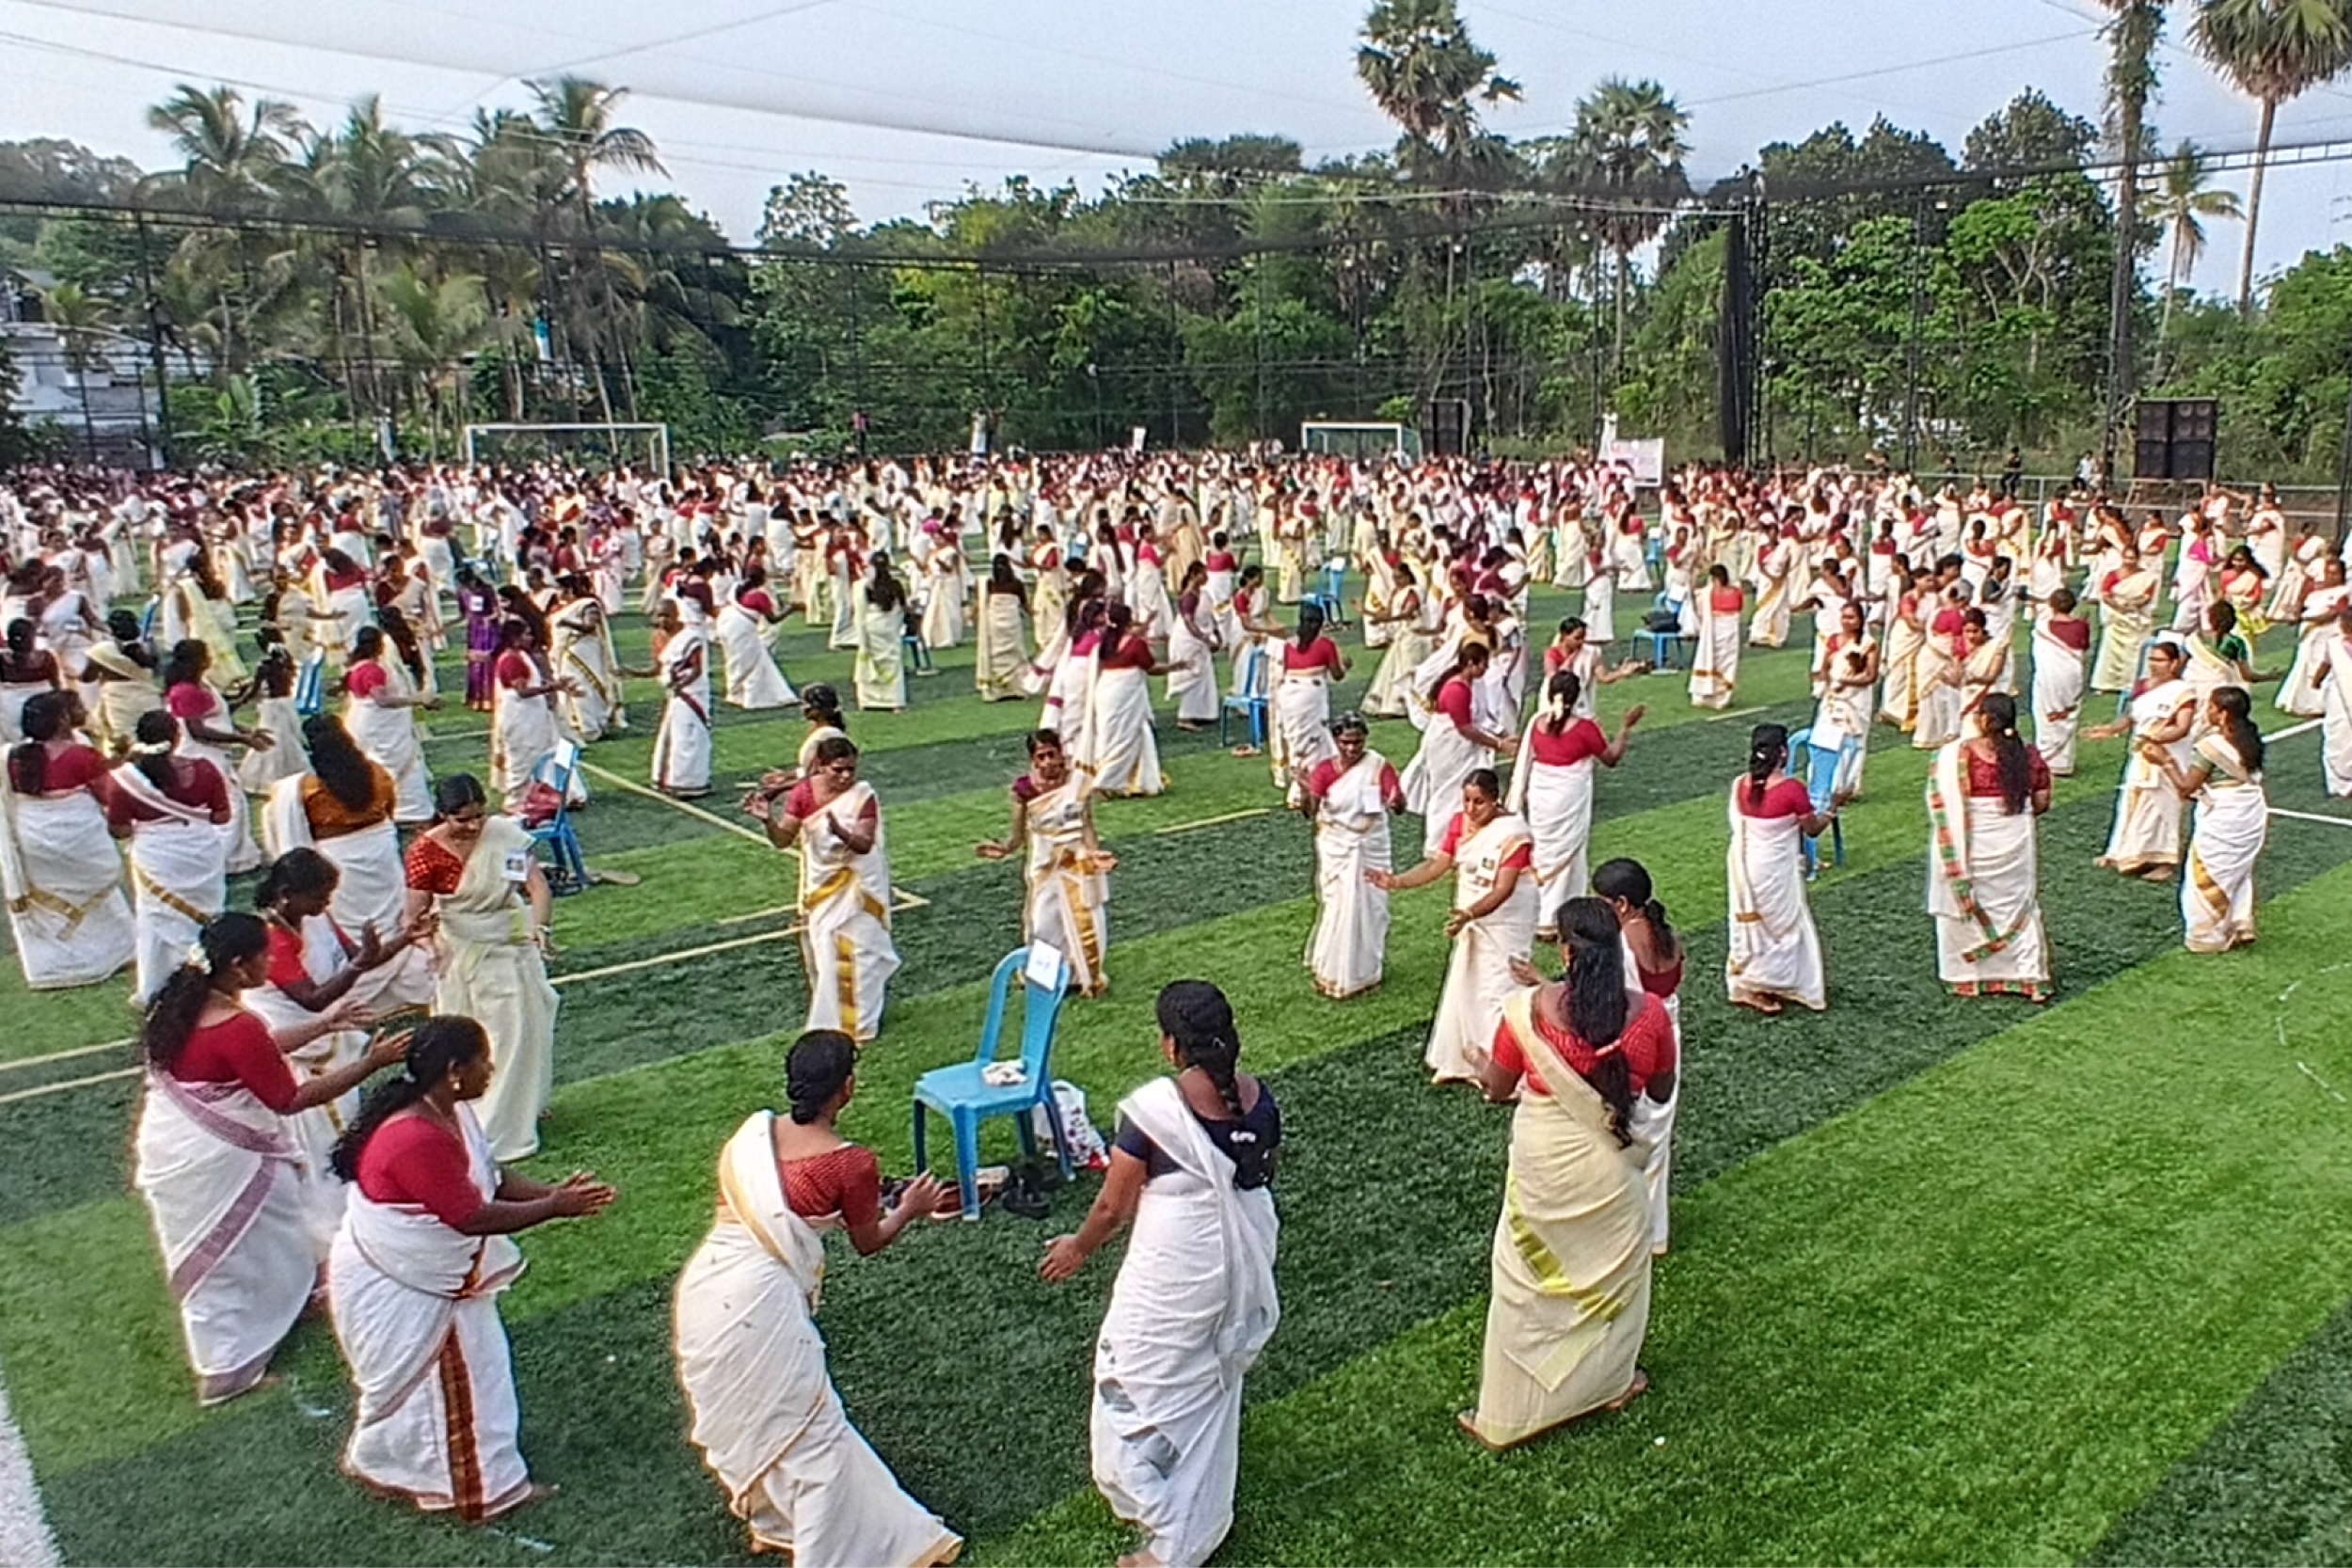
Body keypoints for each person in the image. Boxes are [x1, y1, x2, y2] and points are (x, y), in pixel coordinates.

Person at [673, 1030, 961, 1567]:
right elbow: (868, 1240)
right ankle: (846, 1548)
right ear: (846, 1087)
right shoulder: (850, 1164)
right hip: (761, 1298)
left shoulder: (751, 1139)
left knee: (753, 1413)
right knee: (808, 1424)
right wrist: (912, 1207)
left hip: (706, 1285)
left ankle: (776, 1522)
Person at [326, 1018, 613, 1522]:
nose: (491, 1069)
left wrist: (552, 1194)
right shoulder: (417, 1137)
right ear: (454, 1070)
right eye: (484, 1060)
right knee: (462, 1380)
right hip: (403, 1283)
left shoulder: (448, 1113)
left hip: (415, 1277)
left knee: (471, 1374)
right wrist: (554, 1208)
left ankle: (391, 1462)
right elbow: (470, 1216)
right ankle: (478, 1489)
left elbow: (490, 1175)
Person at [1039, 980, 1279, 1568]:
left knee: (1136, 1375)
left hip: (1175, 1269)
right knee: (1203, 1388)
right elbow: (1258, 1176)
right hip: (1234, 1268)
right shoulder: (1260, 1098)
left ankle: (1167, 1528)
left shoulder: (1155, 1112)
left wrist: (1076, 1249)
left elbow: (1112, 1207)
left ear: (1172, 1045)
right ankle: (1197, 1512)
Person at [133, 913, 391, 1404]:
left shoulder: (177, 1006)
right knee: (236, 1248)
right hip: (222, 1156)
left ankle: (290, 1299)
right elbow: (289, 1098)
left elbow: (254, 1054)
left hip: (175, 1144)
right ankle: (223, 1367)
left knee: (267, 1230)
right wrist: (370, 1064)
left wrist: (325, 1023)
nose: (269, 964)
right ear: (238, 965)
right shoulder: (237, 1024)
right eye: (263, 957)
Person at [1461, 896, 1674, 1449]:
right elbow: (1660, 1089)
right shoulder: (1650, 1015)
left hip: (1545, 1164)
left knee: (1526, 1281)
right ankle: (1610, 1384)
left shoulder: (1526, 1013)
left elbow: (1497, 1088)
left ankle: (1508, 1415)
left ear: (1564, 950)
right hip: (1613, 1167)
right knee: (1614, 1279)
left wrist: (1480, 1065)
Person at [248, 848, 424, 1244]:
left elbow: (361, 958)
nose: (326, 904)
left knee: (347, 1127)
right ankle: (332, 1228)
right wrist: (359, 967)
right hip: (299, 1049)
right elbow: (313, 999)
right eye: (319, 897)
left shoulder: (318, 920)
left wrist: (405, 939)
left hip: (331, 1041)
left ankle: (360, 1207)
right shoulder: (271, 939)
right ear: (288, 895)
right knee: (321, 1144)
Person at [402, 774, 559, 1162]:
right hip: (459, 953)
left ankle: (515, 1113)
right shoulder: (425, 852)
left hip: (509, 945)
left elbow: (535, 885)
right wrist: (426, 943)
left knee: (518, 1033)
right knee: (476, 1040)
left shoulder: (502, 835)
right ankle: (480, 1121)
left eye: (479, 816)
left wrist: (540, 928)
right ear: (443, 815)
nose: (474, 827)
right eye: (463, 820)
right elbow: (413, 919)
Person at [1375, 769, 1537, 1085]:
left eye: (1479, 802)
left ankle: (1503, 1071)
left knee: (1499, 988)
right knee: (1467, 981)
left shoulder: (1514, 834)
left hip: (1506, 918)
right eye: (1467, 801)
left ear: (1495, 800)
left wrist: (1470, 914)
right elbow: (1438, 865)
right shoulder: (1460, 823)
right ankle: (1464, 1061)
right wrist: (1397, 882)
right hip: (1471, 913)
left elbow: (1503, 889)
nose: (1471, 809)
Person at [262, 716, 435, 1011]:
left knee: (343, 926)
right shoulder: (377, 774)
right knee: (389, 919)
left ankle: (350, 980)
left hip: (336, 860)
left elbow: (281, 823)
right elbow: (390, 811)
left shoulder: (301, 790)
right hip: (381, 857)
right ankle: (402, 966)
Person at [752, 736, 898, 1043]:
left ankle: (862, 1025)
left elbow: (863, 843)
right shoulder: (803, 793)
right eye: (838, 770)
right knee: (827, 955)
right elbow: (783, 840)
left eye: (851, 770)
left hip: (859, 886)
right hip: (824, 887)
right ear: (820, 766)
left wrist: (840, 832)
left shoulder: (863, 796)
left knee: (863, 953)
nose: (846, 777)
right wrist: (768, 821)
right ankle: (835, 1021)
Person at [0, 689, 135, 989]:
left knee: (50, 899)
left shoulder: (11, 758)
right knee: (100, 897)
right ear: (61, 720)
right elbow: (109, 796)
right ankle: (109, 955)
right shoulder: (80, 755)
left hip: (32, 841)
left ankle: (55, 967)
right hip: (79, 841)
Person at [1927, 693, 2053, 1001]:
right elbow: (2041, 802)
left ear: (1983, 720)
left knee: (1966, 902)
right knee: (2018, 906)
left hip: (1973, 845)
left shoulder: (1957, 756)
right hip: (2015, 843)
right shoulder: (2027, 755)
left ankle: (1966, 976)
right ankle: (2028, 975)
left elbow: (1942, 801)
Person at [977, 729, 1114, 998]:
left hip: (1076, 860)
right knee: (1043, 922)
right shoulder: (1024, 790)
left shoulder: (1077, 782)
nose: (1048, 762)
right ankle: (1043, 976)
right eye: (1041, 757)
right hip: (1044, 864)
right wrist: (1004, 848)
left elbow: (1086, 824)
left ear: (1062, 754)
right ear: (1033, 760)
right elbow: (1017, 837)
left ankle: (1081, 975)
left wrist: (1095, 853)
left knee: (1084, 917)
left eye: (1052, 754)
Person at [111, 708, 234, 1003]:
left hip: (155, 855)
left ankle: (156, 985)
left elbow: (119, 829)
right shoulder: (204, 769)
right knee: (204, 915)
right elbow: (221, 816)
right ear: (177, 737)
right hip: (201, 851)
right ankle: (208, 973)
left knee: (154, 916)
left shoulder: (126, 780)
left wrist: (151, 825)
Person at [1592, 858, 1682, 1256]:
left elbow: (1617, 1002)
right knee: (1656, 1136)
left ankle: (1626, 1229)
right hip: (1670, 1037)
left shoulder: (1623, 943)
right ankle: (1654, 1232)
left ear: (1622, 904)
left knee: (1621, 1134)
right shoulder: (1669, 936)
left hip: (1636, 1039)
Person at [1505, 673, 1640, 937]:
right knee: (1568, 857)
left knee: (1542, 852)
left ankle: (1539, 914)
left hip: (1541, 798)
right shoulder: (1585, 729)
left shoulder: (1537, 724)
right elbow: (1611, 758)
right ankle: (1555, 916)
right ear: (1577, 696)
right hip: (1568, 797)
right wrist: (1625, 728)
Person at [2142, 686, 2269, 953]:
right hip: (2251, 811)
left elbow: (2186, 787)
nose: (2206, 711)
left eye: (2211, 707)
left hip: (2225, 816)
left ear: (2223, 714)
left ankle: (2207, 936)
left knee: (2206, 872)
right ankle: (2240, 922)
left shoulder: (2212, 746)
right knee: (2238, 869)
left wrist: (2164, 760)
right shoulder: (2250, 738)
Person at [1725, 723, 1836, 1014]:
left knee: (1757, 925)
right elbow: (1812, 829)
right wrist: (1832, 810)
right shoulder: (1791, 789)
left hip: (1746, 866)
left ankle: (1753, 981)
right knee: (1783, 926)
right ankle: (1771, 983)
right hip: (1775, 869)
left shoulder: (1740, 785)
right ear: (1783, 753)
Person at [1300, 713, 1404, 1001]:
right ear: (1336, 741)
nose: (1351, 748)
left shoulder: (1377, 765)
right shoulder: (1324, 770)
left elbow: (1397, 803)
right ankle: (1332, 970)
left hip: (1370, 844)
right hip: (1338, 846)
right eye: (1345, 742)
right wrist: (1306, 789)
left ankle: (1367, 972)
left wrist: (1396, 800)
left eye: (1357, 742)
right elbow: (1310, 811)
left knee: (1373, 907)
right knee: (1337, 906)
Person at [2086, 639, 2197, 880]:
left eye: (2161, 660)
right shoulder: (2143, 686)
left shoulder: (2183, 692)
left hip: (2166, 755)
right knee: (2130, 801)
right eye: (2152, 659)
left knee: (2163, 806)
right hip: (2142, 754)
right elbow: (2131, 717)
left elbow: (2182, 726)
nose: (2154, 665)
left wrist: (2155, 738)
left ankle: (2164, 861)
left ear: (2174, 663)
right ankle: (2120, 851)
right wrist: (2108, 730)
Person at [163, 639, 267, 874]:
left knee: (235, 803)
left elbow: (220, 714)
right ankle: (215, 861)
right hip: (201, 755)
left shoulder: (202, 685)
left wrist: (246, 730)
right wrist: (241, 740)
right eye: (206, 655)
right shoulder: (186, 692)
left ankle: (236, 860)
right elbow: (197, 731)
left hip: (214, 754)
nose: (210, 658)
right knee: (230, 806)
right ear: (198, 661)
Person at [1400, 642, 1512, 858]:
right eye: (1483, 665)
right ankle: (1436, 845)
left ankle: (1461, 838)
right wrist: (1498, 744)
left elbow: (1477, 721)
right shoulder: (1456, 690)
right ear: (1470, 664)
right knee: (1446, 793)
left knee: (1462, 791)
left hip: (1460, 746)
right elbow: (1465, 729)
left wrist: (1501, 735)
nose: (1486, 670)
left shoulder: (1470, 686)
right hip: (1448, 747)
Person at [342, 626, 438, 824]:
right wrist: (416, 700)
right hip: (379, 725)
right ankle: (408, 808)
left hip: (361, 720)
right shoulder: (373, 670)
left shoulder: (354, 667)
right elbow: (382, 700)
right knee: (394, 761)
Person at [489, 618, 570, 816]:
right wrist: (551, 688)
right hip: (520, 718)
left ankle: (537, 797)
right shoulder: (512, 660)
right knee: (523, 758)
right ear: (515, 638)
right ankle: (514, 801)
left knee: (540, 755)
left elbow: (531, 682)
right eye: (527, 634)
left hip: (531, 716)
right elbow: (522, 692)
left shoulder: (521, 656)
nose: (531, 638)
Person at [1269, 603, 1348, 800]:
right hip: (1310, 695)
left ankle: (1301, 784)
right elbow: (1337, 674)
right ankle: (1308, 787)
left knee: (1295, 741)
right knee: (1315, 741)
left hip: (1288, 696)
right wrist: (1345, 665)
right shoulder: (1325, 644)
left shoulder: (1288, 645)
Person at [1089, 601, 1168, 798]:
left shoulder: (1105, 641)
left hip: (1105, 690)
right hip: (1125, 692)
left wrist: (1148, 621)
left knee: (1109, 736)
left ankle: (1124, 779)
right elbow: (1150, 667)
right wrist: (1175, 667)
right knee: (1127, 737)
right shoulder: (1135, 644)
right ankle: (1106, 781)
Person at [655, 588, 715, 800]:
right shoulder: (662, 638)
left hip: (691, 694)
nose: (662, 620)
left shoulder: (691, 637)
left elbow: (696, 669)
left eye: (666, 615)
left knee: (690, 737)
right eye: (659, 616)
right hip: (676, 694)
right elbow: (659, 668)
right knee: (675, 737)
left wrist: (680, 684)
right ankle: (672, 779)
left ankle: (690, 783)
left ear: (676, 615)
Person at [715, 569, 797, 711]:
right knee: (747, 662)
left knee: (738, 658)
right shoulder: (759, 595)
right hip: (742, 627)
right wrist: (792, 608)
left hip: (726, 622)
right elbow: (772, 619)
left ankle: (738, 692)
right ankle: (743, 694)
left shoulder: (737, 588)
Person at [2030, 587, 2090, 777]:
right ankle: (2063, 762)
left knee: (2047, 715)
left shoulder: (2042, 627)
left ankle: (2048, 759)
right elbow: (2083, 647)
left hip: (2049, 677)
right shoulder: (2081, 626)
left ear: (2052, 605)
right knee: (2067, 712)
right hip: (2072, 675)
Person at [1166, 560, 1220, 730]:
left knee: (1203, 676)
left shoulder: (1204, 594)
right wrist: (1205, 639)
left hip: (1200, 638)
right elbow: (1189, 622)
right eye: (1203, 574)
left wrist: (1216, 633)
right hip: (1188, 640)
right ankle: (1185, 716)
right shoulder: (1189, 596)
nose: (1206, 577)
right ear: (1194, 575)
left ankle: (1203, 712)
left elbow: (1210, 616)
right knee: (1192, 675)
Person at [975, 553, 1032, 703]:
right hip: (1012, 624)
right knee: (1015, 653)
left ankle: (998, 690)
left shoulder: (989, 584)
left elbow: (982, 604)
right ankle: (1017, 688)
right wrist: (1034, 615)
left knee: (996, 654)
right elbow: (1025, 604)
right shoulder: (1017, 584)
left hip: (995, 623)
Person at [854, 554, 910, 712]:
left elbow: (860, 611)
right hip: (890, 628)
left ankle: (869, 700)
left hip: (872, 627)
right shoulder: (896, 584)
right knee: (893, 664)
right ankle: (894, 700)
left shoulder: (864, 586)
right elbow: (903, 607)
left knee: (870, 662)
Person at [1688, 564, 1744, 710]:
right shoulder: (1713, 593)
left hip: (1726, 629)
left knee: (1724, 662)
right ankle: (1717, 697)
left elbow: (1695, 601)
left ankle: (1718, 697)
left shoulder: (1709, 593)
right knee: (1722, 662)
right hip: (1720, 630)